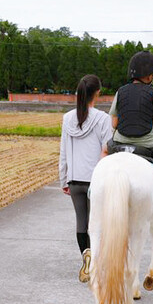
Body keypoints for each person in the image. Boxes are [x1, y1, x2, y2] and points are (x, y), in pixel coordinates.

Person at [107, 51, 153, 213]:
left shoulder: (120, 91)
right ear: (148, 76)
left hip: (119, 141)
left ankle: (95, 186)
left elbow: (114, 122)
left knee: (104, 150)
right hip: (146, 143)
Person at [59, 74, 112, 283]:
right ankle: (97, 264)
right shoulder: (103, 118)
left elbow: (63, 151)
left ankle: (86, 258)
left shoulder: (67, 118)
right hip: (96, 179)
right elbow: (108, 149)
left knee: (81, 223)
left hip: (74, 180)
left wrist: (63, 179)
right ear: (97, 93)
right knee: (98, 224)